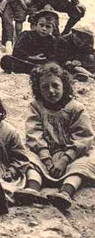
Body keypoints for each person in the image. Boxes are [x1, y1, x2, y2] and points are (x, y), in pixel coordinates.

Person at [15, 63, 95, 211]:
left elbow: (83, 137)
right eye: (45, 87)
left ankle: (65, 192)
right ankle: (33, 189)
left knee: (85, 164)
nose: (51, 91)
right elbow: (34, 134)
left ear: (64, 86)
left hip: (72, 155)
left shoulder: (76, 108)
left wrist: (65, 159)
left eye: (55, 85)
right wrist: (45, 157)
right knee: (27, 158)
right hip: (45, 153)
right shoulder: (36, 107)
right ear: (38, 89)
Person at [0, 6, 58, 74]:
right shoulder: (27, 35)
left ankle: (40, 70)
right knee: (6, 59)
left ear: (53, 29)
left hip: (41, 64)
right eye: (41, 25)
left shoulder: (52, 40)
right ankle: (37, 70)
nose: (44, 29)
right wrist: (31, 57)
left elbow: (52, 56)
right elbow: (16, 52)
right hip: (25, 61)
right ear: (36, 25)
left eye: (48, 27)